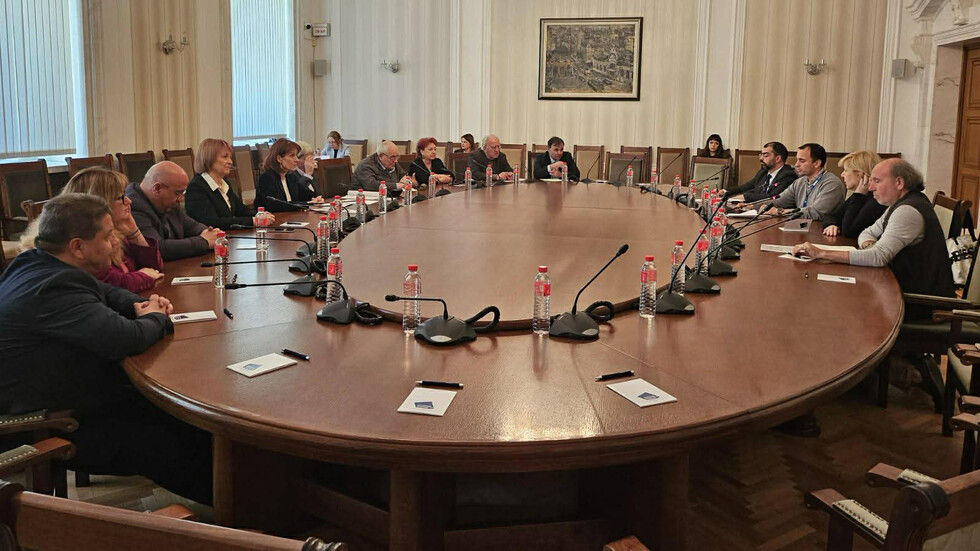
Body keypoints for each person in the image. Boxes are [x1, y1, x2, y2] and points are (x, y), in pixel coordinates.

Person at [0, 194, 213, 505]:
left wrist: (140, 304)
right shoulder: (53, 287)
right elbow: (126, 339)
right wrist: (155, 317)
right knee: (171, 445)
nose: (115, 242)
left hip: (74, 394)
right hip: (46, 421)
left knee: (189, 418)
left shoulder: (36, 261)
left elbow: (106, 292)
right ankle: (248, 512)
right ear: (77, 247)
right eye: (107, 235)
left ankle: (251, 492)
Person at [793, 158, 954, 321]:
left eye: (876, 181)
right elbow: (867, 233)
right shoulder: (899, 204)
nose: (870, 187)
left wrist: (821, 253)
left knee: (837, 309)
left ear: (899, 183)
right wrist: (871, 248)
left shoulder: (907, 211)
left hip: (920, 306)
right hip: (899, 292)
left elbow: (878, 257)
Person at [127, 161, 220, 261]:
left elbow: (192, 226)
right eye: (178, 193)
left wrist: (208, 232)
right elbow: (157, 248)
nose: (181, 199)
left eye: (183, 193)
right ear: (157, 189)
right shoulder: (132, 206)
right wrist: (204, 241)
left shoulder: (168, 202)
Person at [184, 138, 257, 230]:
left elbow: (241, 210)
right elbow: (213, 223)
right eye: (225, 157)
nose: (230, 161)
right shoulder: (196, 188)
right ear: (209, 159)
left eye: (230, 157)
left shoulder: (224, 182)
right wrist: (252, 221)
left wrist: (260, 215)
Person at [763, 143, 845, 221]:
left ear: (817, 163)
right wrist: (759, 206)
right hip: (801, 227)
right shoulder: (799, 182)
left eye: (802, 161)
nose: (796, 164)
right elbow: (778, 201)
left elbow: (815, 213)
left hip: (822, 228)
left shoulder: (832, 184)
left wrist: (780, 212)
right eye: (797, 160)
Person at [822, 150, 885, 238]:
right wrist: (831, 225)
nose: (842, 175)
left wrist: (858, 195)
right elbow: (830, 216)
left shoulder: (876, 199)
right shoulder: (861, 195)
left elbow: (849, 231)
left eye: (846, 170)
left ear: (860, 174)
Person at [254, 138, 323, 212]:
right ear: (279, 158)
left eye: (296, 155)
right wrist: (308, 203)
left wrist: (314, 199)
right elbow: (277, 205)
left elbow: (303, 195)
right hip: (275, 217)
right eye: (292, 155)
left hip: (291, 216)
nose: (296, 160)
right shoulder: (267, 178)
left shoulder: (290, 177)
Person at [725, 141, 797, 203]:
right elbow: (744, 187)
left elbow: (772, 197)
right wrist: (725, 191)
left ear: (777, 159)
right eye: (761, 155)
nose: (761, 159)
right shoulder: (763, 172)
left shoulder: (788, 176)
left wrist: (746, 197)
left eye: (765, 156)